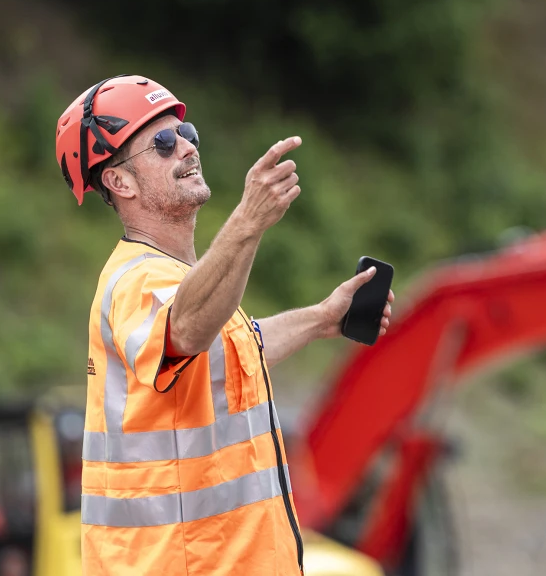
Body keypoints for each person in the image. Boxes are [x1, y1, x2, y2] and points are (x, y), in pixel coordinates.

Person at [54, 74, 394, 575]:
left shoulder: (179, 283)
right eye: (163, 144)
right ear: (119, 181)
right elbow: (188, 329)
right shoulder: (134, 282)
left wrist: (323, 318)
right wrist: (247, 223)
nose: (186, 151)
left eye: (187, 137)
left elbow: (231, 351)